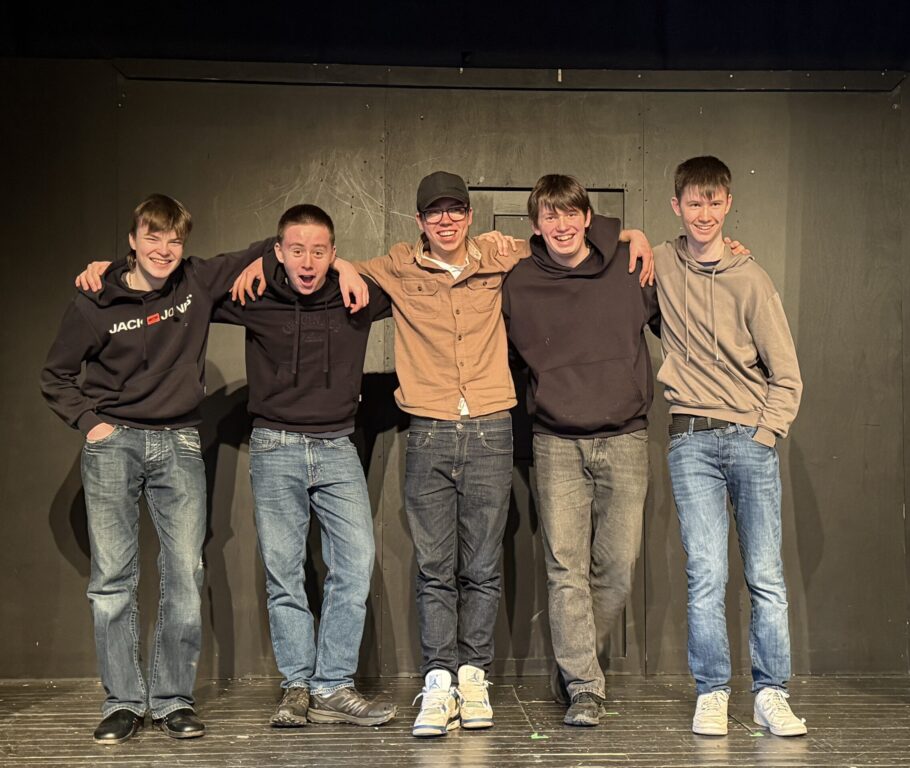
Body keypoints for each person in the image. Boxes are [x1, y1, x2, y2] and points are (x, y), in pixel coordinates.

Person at [232, 171, 651, 737]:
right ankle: (438, 680)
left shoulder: (501, 254)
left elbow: (567, 234)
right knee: (435, 570)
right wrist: (328, 265)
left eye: (456, 210)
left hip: (490, 429)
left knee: (482, 569)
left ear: (470, 216)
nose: (446, 220)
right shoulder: (397, 265)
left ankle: (473, 678)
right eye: (435, 212)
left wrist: (630, 235)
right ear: (420, 220)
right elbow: (323, 263)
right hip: (429, 430)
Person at [41, 194, 257, 743]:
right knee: (113, 579)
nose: (164, 249)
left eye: (174, 240)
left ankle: (172, 700)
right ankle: (122, 702)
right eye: (153, 237)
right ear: (133, 241)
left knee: (185, 571)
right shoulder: (95, 300)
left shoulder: (196, 282)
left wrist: (343, 267)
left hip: (179, 440)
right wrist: (92, 424)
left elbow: (271, 248)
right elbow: (56, 375)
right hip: (113, 444)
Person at [211, 205, 397, 729]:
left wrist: (351, 270)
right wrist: (256, 260)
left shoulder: (358, 295)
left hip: (337, 445)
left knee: (354, 564)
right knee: (285, 573)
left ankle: (332, 685)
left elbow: (414, 274)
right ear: (279, 252)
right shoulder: (256, 294)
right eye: (296, 251)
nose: (308, 262)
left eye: (320, 252)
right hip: (274, 446)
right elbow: (191, 283)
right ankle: (297, 685)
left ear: (333, 254)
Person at [653, 156, 805, 737]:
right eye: (694, 202)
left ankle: (771, 693)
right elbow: (603, 240)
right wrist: (636, 237)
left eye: (714, 202)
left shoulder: (751, 278)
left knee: (765, 575)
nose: (704, 213)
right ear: (677, 206)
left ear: (728, 204)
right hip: (690, 440)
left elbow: (786, 374)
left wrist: (765, 434)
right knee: (706, 574)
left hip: (749, 439)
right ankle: (712, 692)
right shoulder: (661, 263)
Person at [501, 175, 660, 727]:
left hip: (626, 436)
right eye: (550, 216)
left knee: (617, 567)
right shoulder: (519, 283)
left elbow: (679, 312)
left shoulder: (629, 267)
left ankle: (573, 667)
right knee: (565, 568)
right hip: (556, 442)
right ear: (535, 225)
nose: (562, 225)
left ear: (587, 218)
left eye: (571, 214)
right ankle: (585, 688)